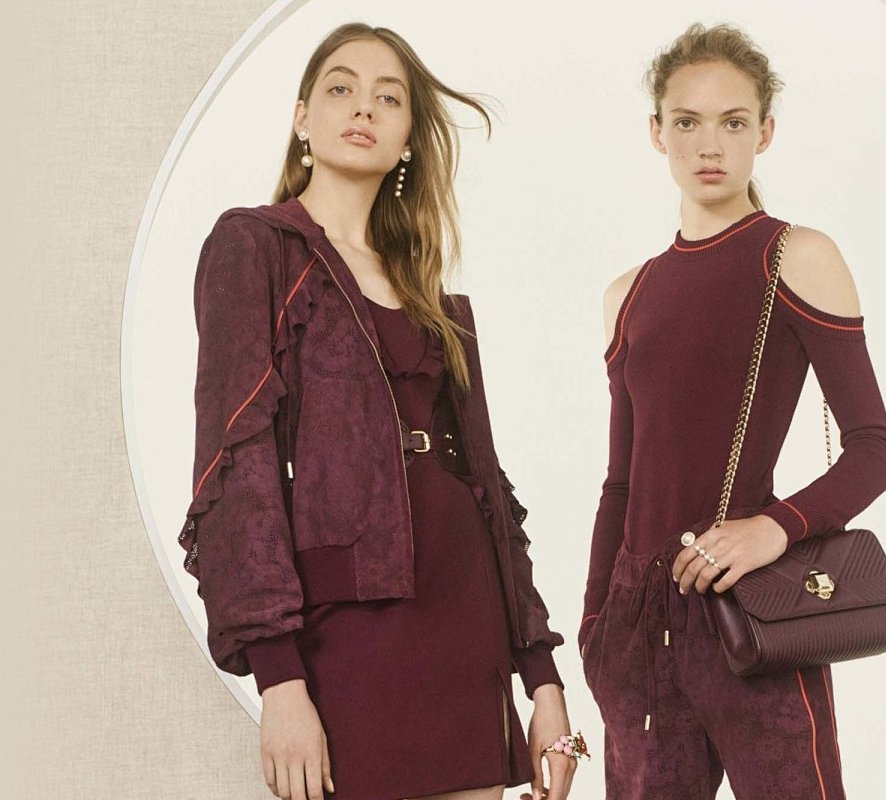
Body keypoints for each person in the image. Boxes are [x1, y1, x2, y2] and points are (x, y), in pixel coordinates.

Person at [178, 22, 583, 800]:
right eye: (341, 88)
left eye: (388, 98)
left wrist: (543, 681)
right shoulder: (254, 247)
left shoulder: (438, 303)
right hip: (346, 637)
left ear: (406, 140)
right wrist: (278, 679)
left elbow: (491, 491)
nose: (363, 107)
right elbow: (237, 466)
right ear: (302, 118)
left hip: (463, 625)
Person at [578, 22, 886, 799]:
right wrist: (596, 625)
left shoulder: (795, 255)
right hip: (636, 629)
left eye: (733, 122)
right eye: (687, 121)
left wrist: (772, 529)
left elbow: (873, 448)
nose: (708, 145)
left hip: (751, 602)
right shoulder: (629, 294)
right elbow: (622, 482)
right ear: (657, 132)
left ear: (765, 132)